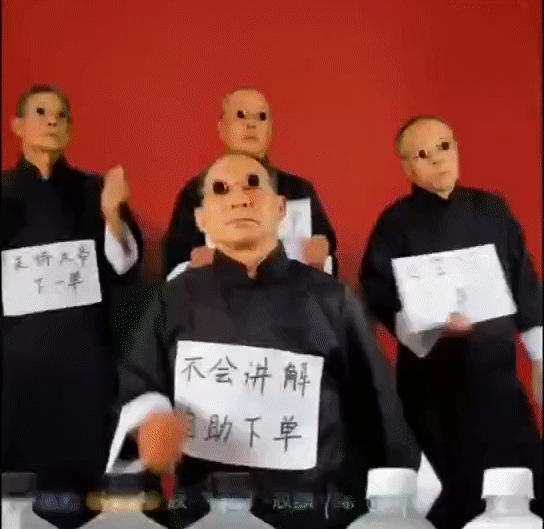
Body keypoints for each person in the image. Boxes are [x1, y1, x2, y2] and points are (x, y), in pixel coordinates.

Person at [106, 153, 419, 529]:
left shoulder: (331, 300)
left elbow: (380, 411)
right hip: (207, 515)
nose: (239, 198)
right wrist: (150, 422)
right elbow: (138, 382)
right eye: (221, 189)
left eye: (253, 184)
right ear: (201, 218)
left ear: (281, 208)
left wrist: (393, 505)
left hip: (314, 513)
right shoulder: (175, 298)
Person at [359, 115, 542, 529]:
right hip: (431, 386)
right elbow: (378, 291)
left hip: (496, 377)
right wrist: (427, 323)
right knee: (450, 494)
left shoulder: (492, 209)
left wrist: (540, 357)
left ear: (457, 148)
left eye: (444, 147)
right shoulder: (395, 223)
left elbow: (524, 280)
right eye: (422, 154)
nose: (438, 160)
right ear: (407, 167)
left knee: (521, 486)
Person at [1, 84, 144, 528]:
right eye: (41, 112)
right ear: (17, 126)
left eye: (61, 115)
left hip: (85, 359)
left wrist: (112, 214)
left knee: (86, 494)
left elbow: (125, 265)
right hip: (16, 363)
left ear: (70, 130)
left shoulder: (93, 189)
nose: (52, 121)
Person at [163, 87, 338, 279]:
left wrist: (323, 255)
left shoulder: (298, 190)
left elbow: (328, 260)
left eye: (261, 117)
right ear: (222, 129)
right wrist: (193, 265)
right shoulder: (196, 193)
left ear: (270, 131)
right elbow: (173, 266)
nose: (251, 124)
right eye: (241, 115)